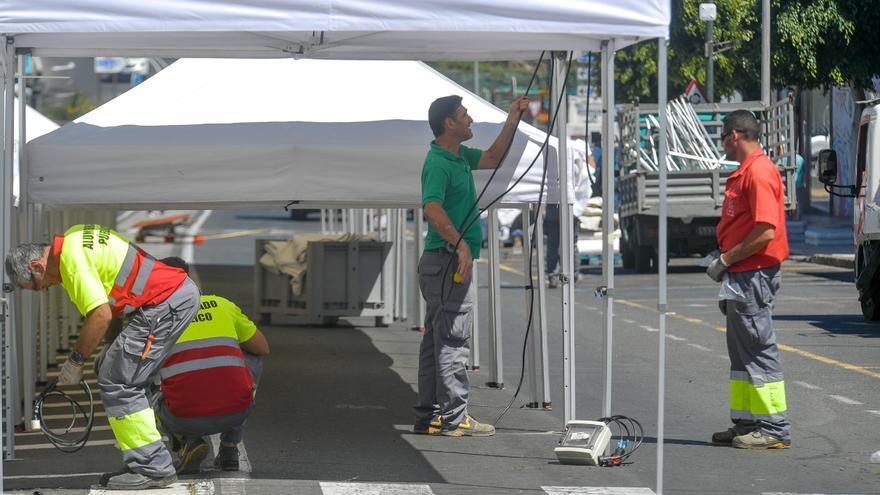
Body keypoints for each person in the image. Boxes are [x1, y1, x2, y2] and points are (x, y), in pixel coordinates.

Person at [5, 224, 200, 489]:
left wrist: (75, 361)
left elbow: (100, 316)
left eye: (36, 285)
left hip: (163, 304)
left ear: (37, 266)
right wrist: (111, 346)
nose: (44, 290)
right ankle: (145, 459)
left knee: (119, 381)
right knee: (121, 375)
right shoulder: (76, 236)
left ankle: (152, 467)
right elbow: (115, 299)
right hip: (168, 299)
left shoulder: (71, 264)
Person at [414, 94, 529, 437]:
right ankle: (454, 418)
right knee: (453, 341)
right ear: (449, 123)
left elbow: (494, 157)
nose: (471, 119)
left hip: (443, 264)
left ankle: (431, 416)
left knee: (437, 340)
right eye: (465, 115)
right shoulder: (439, 163)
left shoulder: (459, 156)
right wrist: (460, 242)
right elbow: (431, 208)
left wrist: (513, 117)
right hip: (447, 262)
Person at [705, 110, 791, 450]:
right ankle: (747, 423)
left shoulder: (758, 172)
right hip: (741, 274)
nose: (723, 142)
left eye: (724, 136)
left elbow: (765, 232)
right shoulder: (746, 171)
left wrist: (726, 258)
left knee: (757, 349)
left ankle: (774, 428)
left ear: (735, 136)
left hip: (752, 274)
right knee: (742, 355)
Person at [153, 257, 269, 475]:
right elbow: (263, 348)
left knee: (145, 380)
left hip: (181, 418)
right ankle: (229, 448)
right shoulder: (222, 304)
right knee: (252, 356)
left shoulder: (154, 318)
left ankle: (187, 442)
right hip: (237, 411)